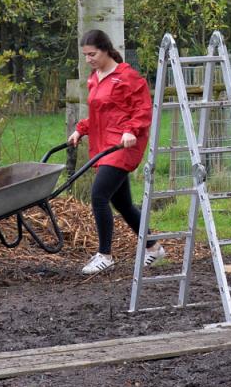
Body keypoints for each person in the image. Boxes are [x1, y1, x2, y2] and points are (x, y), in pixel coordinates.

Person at [67, 29, 161, 275]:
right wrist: (81, 130)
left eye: (92, 54)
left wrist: (131, 130)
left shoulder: (127, 77)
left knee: (98, 196)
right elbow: (101, 114)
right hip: (105, 145)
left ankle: (105, 255)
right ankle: (153, 247)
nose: (88, 59)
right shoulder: (95, 77)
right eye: (85, 55)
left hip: (123, 145)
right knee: (123, 204)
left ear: (106, 50)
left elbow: (143, 109)